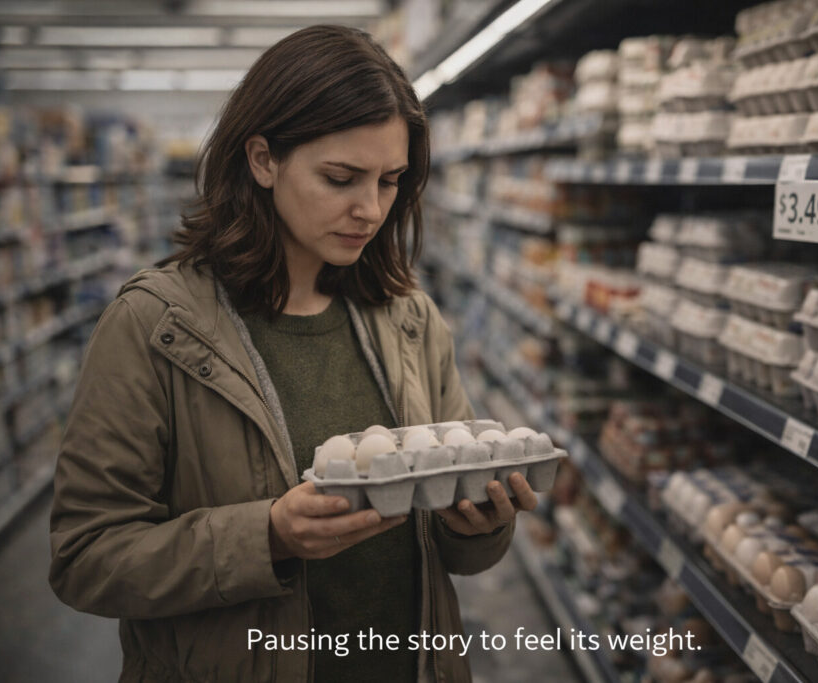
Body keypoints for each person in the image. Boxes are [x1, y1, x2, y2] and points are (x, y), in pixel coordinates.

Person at [48, 24, 538, 683]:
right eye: (341, 177)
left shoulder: (409, 320)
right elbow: (84, 557)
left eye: (390, 181)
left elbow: (453, 553)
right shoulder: (153, 326)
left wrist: (479, 520)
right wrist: (268, 536)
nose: (370, 209)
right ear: (263, 159)